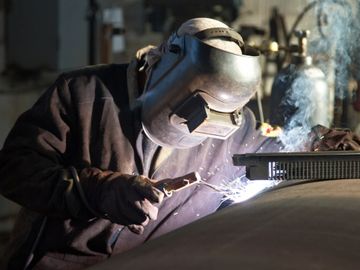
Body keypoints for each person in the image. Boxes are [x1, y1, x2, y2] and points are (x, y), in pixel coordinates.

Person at [0, 17, 359, 270]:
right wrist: (99, 191)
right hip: (59, 263)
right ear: (160, 68)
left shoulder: (238, 127)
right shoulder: (85, 95)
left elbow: (276, 148)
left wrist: (323, 141)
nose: (201, 128)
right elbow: (14, 168)